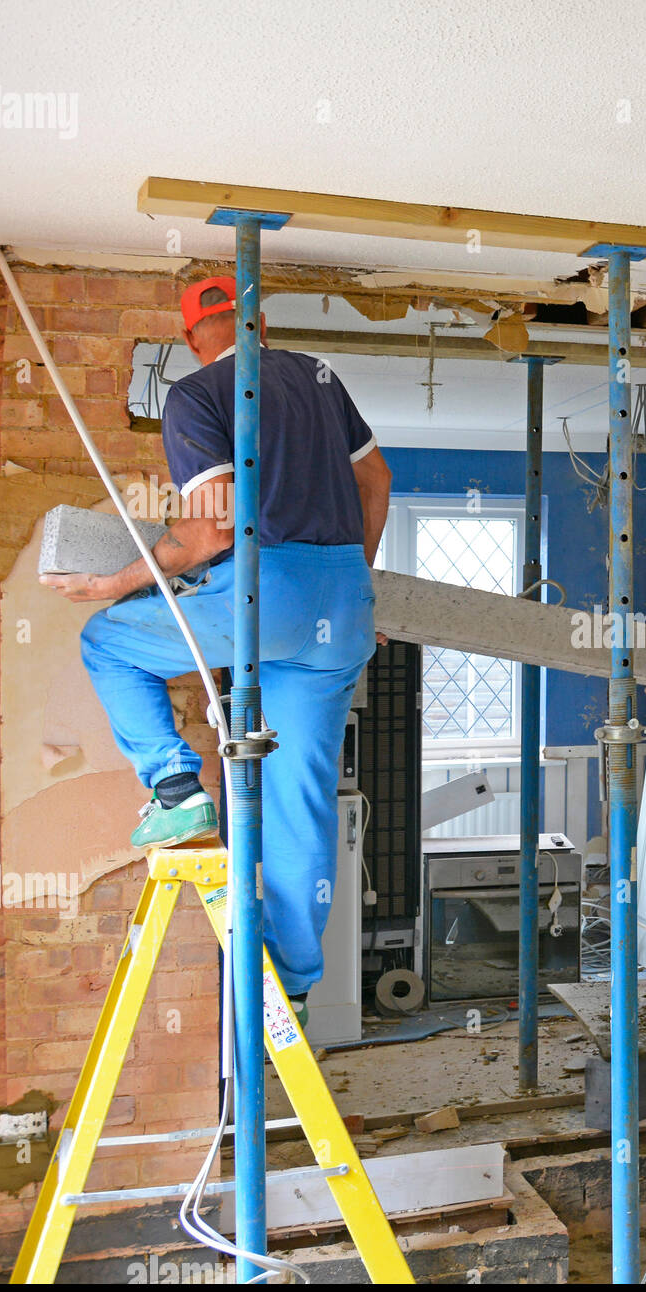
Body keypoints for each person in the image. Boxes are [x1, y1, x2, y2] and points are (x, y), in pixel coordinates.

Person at [41, 276, 393, 1022]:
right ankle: (292, 983)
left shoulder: (199, 391)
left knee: (108, 641)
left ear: (193, 336)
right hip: (345, 603)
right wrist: (353, 581)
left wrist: (117, 579)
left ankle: (175, 791)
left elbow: (212, 531)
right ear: (259, 320)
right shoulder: (320, 378)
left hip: (272, 591)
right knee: (301, 796)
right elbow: (375, 478)